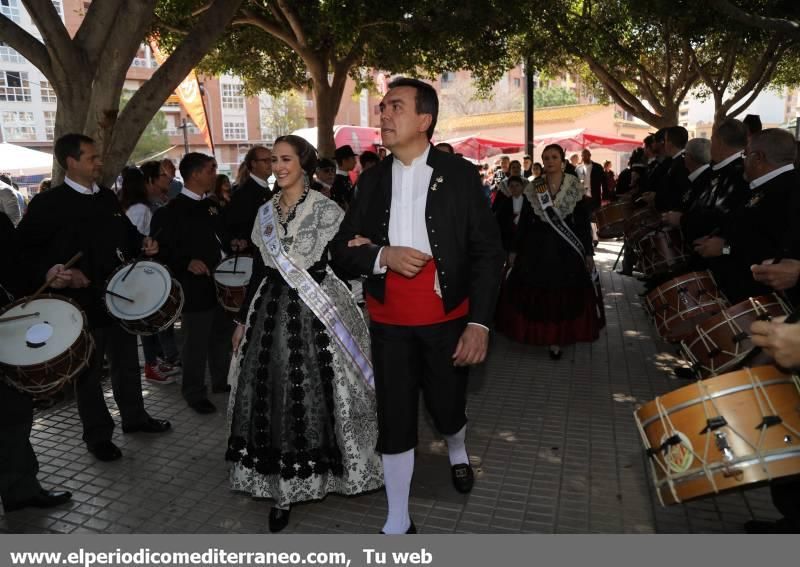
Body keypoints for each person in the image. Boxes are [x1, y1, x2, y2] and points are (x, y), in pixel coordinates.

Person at [330, 77, 505, 534]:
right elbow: (341, 250)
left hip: (447, 321)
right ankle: (397, 517)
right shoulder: (369, 182)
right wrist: (382, 254)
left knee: (448, 408)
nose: (383, 114)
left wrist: (480, 324)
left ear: (424, 120)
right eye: (383, 107)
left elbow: (488, 254)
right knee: (396, 415)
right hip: (388, 324)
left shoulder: (461, 176)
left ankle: (458, 450)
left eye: (395, 107)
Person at [226, 135, 382, 533]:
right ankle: (281, 489)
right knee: (272, 391)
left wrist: (373, 251)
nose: (278, 167)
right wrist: (242, 320)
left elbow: (346, 263)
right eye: (273, 160)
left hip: (317, 311)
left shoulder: (327, 209)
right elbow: (260, 270)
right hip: (270, 310)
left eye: (286, 159)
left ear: (304, 164)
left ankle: (320, 475)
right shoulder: (264, 212)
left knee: (315, 392)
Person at [17, 134, 170, 462]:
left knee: (127, 362)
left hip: (118, 299)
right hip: (79, 305)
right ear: (71, 162)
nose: (99, 162)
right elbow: (24, 252)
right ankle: (98, 436)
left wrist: (143, 242)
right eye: (92, 158)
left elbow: (125, 235)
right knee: (87, 374)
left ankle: (135, 417)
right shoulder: (48, 204)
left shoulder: (105, 198)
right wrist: (55, 272)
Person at [497, 143, 604, 359]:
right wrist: (514, 250)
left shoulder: (574, 187)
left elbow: (582, 224)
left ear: (563, 162)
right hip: (536, 249)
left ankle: (557, 339)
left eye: (554, 157)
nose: (549, 161)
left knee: (562, 295)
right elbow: (525, 222)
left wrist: (588, 253)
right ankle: (541, 335)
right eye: (546, 158)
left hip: (567, 251)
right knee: (538, 294)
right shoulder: (534, 187)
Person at [0, 211, 73, 513]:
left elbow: (19, 264)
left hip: (5, 330)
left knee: (14, 412)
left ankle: (21, 489)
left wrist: (46, 274)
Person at [151, 153, 235, 414]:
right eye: (211, 169)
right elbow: (160, 250)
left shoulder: (212, 206)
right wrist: (186, 262)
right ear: (196, 174)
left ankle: (221, 381)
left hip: (221, 284)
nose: (215, 174)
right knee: (195, 343)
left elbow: (221, 236)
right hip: (194, 286)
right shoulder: (170, 212)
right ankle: (194, 392)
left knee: (221, 336)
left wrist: (234, 243)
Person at [695, 129, 800, 304]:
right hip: (739, 296)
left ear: (758, 157)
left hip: (760, 305)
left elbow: (775, 251)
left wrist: (725, 248)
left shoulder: (790, 191)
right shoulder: (763, 186)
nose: (742, 162)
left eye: (745, 155)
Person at [118, 166, 181, 385]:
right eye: (163, 176)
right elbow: (132, 242)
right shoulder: (139, 209)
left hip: (147, 270)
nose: (169, 179)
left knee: (152, 321)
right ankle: (150, 364)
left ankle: (156, 361)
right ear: (147, 182)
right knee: (147, 322)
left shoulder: (146, 206)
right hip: (141, 273)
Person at [225, 146, 273, 249]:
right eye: (265, 160)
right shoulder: (244, 193)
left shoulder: (265, 189)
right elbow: (238, 228)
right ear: (253, 164)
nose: (270, 164)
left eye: (272, 160)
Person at [331, 145, 357, 210]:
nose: (355, 162)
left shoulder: (344, 177)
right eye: (353, 158)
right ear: (344, 161)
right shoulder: (337, 181)